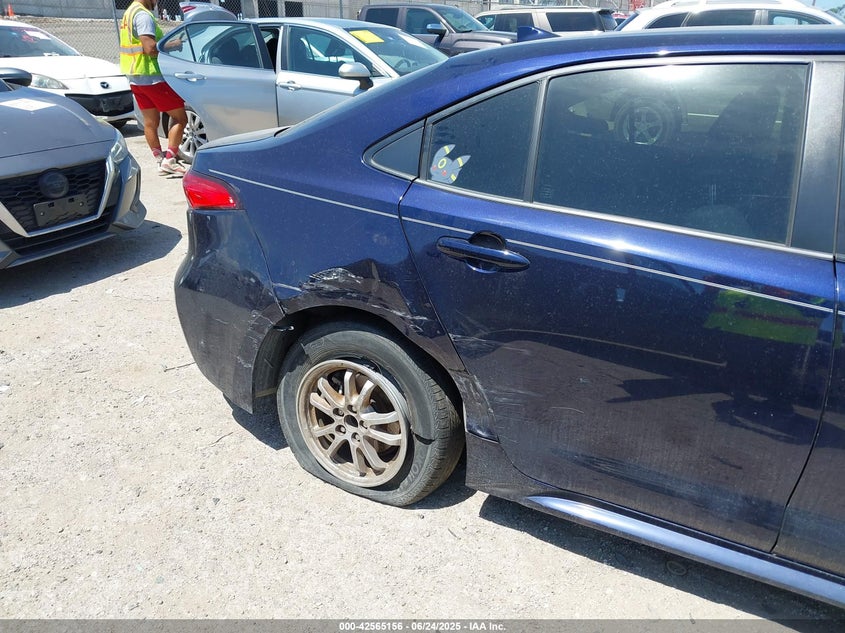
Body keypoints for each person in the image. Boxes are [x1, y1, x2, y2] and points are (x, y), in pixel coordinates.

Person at [119, 0, 188, 176]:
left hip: (136, 78)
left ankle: (160, 159)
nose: (157, 2)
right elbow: (150, 48)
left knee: (150, 121)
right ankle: (170, 160)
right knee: (180, 118)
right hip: (153, 77)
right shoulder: (143, 15)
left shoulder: (130, 12)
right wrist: (173, 44)